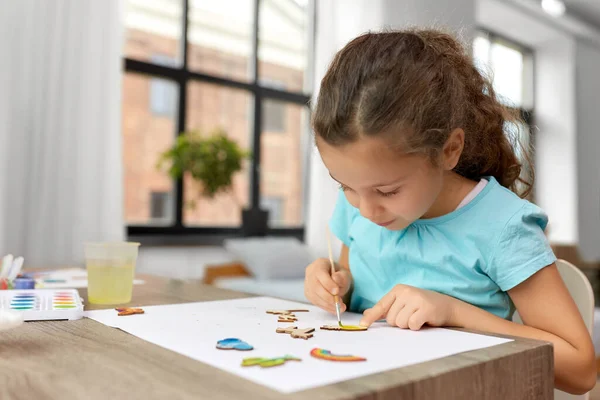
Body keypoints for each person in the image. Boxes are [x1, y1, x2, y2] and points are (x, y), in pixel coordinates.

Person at [304, 29, 595, 394]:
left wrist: (454, 313)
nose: (366, 209)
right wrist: (334, 283)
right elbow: (352, 282)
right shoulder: (362, 203)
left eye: (388, 190)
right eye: (344, 185)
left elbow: (582, 369)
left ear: (449, 149)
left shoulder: (503, 227)